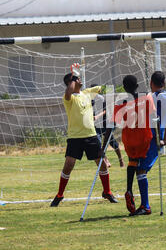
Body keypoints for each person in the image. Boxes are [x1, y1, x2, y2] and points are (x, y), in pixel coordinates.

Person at [50, 64, 118, 207]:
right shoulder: (68, 98)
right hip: (75, 137)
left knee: (102, 165)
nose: (79, 80)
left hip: (91, 136)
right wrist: (73, 76)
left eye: (79, 78)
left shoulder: (87, 92)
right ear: (71, 83)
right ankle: (59, 194)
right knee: (69, 165)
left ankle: (107, 192)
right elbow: (69, 91)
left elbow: (100, 88)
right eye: (76, 79)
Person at [127, 71, 166, 216]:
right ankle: (144, 205)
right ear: (164, 83)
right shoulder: (154, 97)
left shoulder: (160, 96)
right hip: (150, 137)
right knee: (140, 169)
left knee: (141, 170)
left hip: (153, 138)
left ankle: (146, 206)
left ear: (151, 82)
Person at [104, 75, 156, 216]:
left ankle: (129, 189)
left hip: (129, 139)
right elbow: (153, 117)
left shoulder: (120, 103)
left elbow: (111, 125)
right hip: (144, 137)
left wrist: (103, 146)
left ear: (124, 87)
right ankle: (145, 205)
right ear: (137, 85)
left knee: (133, 162)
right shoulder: (146, 97)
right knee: (141, 169)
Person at [90, 84, 124, 168]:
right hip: (95, 126)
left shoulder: (101, 99)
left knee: (113, 143)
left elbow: (105, 111)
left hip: (104, 125)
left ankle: (121, 159)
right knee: (97, 144)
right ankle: (106, 160)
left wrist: (97, 116)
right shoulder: (89, 99)